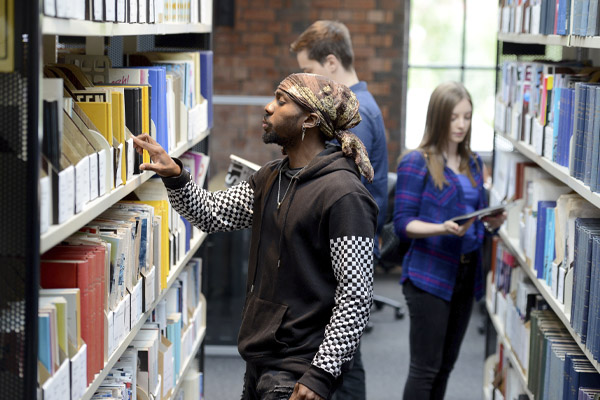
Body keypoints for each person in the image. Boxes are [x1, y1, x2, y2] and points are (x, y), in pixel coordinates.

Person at [132, 73, 378, 400]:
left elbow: (356, 295)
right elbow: (211, 213)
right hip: (261, 358)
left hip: (301, 367)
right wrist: (175, 175)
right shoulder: (270, 177)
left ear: (310, 119)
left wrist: (321, 373)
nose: (267, 107)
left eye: (281, 100)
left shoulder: (345, 195)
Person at [291, 20, 389, 400]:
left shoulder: (355, 115)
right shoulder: (356, 106)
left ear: (331, 63)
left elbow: (332, 187)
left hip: (344, 247)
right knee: (343, 354)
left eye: (310, 72)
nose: (308, 84)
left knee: (339, 358)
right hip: (345, 243)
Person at [392, 81, 505, 399]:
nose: (461, 124)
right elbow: (402, 224)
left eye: (467, 117)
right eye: (454, 117)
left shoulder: (473, 163)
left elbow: (475, 215)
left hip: (467, 274)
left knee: (445, 367)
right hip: (428, 276)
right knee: (425, 369)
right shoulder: (416, 161)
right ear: (438, 117)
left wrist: (491, 224)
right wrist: (441, 228)